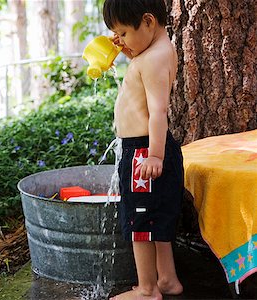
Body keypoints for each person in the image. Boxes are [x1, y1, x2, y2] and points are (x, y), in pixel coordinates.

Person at [103, 0, 184, 299]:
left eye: (123, 32)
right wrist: (130, 50)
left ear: (148, 21)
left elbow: (158, 111)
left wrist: (154, 155)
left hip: (143, 153)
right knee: (156, 218)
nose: (119, 40)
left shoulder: (152, 59)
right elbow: (143, 78)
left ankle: (147, 290)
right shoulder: (157, 51)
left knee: (140, 222)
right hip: (146, 150)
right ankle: (167, 279)